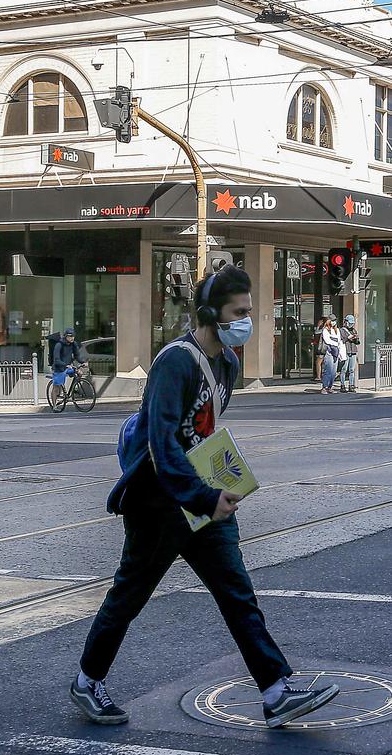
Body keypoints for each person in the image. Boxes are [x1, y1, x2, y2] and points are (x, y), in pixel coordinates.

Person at [70, 265, 340, 729]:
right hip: (158, 502)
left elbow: (204, 433)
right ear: (212, 313)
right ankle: (87, 681)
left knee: (237, 592)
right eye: (241, 312)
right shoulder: (175, 362)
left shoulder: (227, 363)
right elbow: (162, 442)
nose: (249, 321)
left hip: (202, 499)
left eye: (250, 311)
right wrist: (202, 496)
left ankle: (275, 691)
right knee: (130, 594)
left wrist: (219, 486)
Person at [50, 327, 83, 407]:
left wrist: (83, 362)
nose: (72, 338)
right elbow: (56, 360)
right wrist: (65, 365)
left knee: (79, 373)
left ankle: (73, 390)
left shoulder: (73, 344)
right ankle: (54, 405)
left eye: (73, 336)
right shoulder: (59, 345)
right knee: (56, 387)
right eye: (70, 336)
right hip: (59, 368)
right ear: (65, 336)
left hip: (68, 368)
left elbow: (77, 356)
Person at [320, 316, 341, 395]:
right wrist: (334, 342)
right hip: (329, 351)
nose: (333, 322)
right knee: (328, 370)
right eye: (332, 320)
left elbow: (338, 340)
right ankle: (324, 387)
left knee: (333, 371)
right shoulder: (325, 330)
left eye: (334, 320)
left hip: (335, 351)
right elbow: (327, 340)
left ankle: (330, 387)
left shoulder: (337, 330)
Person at [339, 315, 360, 393]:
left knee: (352, 370)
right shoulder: (342, 330)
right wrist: (348, 338)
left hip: (353, 351)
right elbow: (341, 340)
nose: (351, 325)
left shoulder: (354, 330)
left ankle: (351, 385)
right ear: (346, 322)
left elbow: (358, 342)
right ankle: (342, 385)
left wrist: (356, 338)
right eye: (350, 323)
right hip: (346, 351)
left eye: (352, 323)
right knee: (344, 369)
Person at [312, 318, 325, 382]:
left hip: (322, 349)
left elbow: (316, 333)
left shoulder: (324, 329)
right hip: (325, 349)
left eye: (320, 321)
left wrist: (318, 326)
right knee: (322, 363)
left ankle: (318, 376)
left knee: (318, 363)